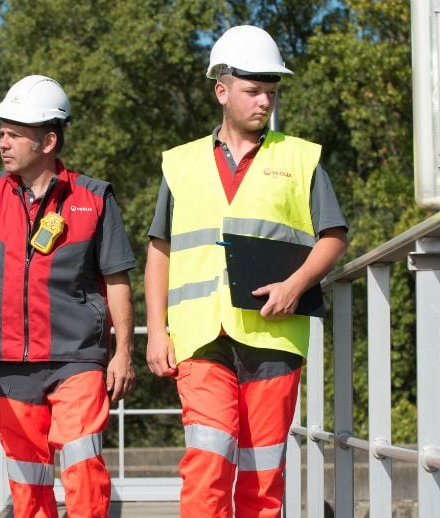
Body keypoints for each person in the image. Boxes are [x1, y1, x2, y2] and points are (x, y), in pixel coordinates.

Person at [144, 25, 349, 517]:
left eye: (271, 93)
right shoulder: (182, 163)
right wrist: (155, 332)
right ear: (222, 90)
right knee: (207, 465)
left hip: (273, 335)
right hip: (199, 336)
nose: (264, 102)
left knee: (262, 475)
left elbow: (334, 237)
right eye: (253, 91)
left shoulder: (300, 158)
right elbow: (160, 249)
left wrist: (296, 284)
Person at [0, 75, 136, 518]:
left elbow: (117, 279)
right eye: (1, 132)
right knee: (27, 474)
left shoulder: (93, 198)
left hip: (77, 356)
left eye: (15, 134)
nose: (3, 143)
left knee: (82, 463)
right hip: (9, 358)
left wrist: (124, 353)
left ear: (48, 140)